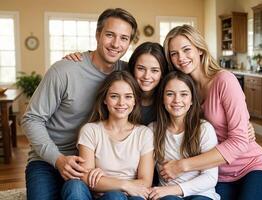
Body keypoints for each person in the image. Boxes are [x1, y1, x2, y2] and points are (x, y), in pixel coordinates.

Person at [21, 8, 137, 200]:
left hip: (97, 161)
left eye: (124, 38)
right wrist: (58, 159)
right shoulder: (64, 71)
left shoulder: (127, 73)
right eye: (110, 35)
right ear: (98, 34)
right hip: (49, 159)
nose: (116, 44)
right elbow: (31, 119)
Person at [161, 24, 262, 200]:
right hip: (216, 174)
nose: (181, 58)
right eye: (173, 54)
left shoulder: (224, 80)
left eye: (186, 50)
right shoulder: (183, 91)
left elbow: (240, 140)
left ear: (199, 49)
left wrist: (182, 166)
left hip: (251, 167)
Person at [77, 70, 154, 200]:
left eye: (128, 96)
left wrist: (105, 181)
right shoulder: (90, 130)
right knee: (112, 196)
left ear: (135, 101)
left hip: (134, 196)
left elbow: (145, 182)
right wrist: (124, 185)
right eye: (114, 96)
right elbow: (85, 177)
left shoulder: (144, 133)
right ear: (105, 100)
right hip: (103, 197)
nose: (121, 103)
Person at [148, 71, 220, 200]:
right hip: (168, 196)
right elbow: (143, 169)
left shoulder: (204, 129)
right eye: (170, 94)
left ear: (192, 100)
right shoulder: (153, 130)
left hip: (202, 194)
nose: (177, 100)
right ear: (162, 99)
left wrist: (174, 189)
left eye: (184, 94)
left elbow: (210, 178)